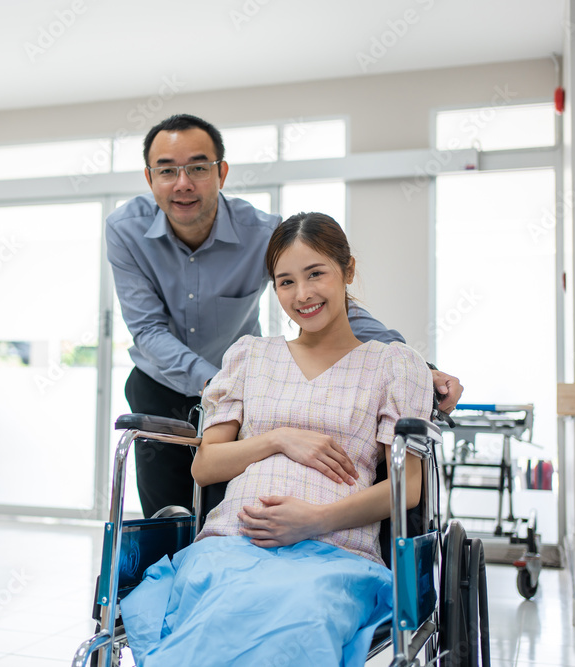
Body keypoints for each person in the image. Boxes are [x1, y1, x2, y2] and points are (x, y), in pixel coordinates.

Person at [105, 113, 461, 517]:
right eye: (167, 170)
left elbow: (323, 303)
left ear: (221, 172)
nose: (183, 183)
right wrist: (222, 382)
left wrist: (413, 366)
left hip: (236, 387)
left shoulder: (262, 233)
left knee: (230, 499)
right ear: (150, 179)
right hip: (166, 385)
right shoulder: (125, 230)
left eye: (198, 168)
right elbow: (148, 330)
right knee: (168, 516)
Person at [120, 212, 433, 666]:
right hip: (231, 543)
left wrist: (314, 521)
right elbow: (206, 467)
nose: (302, 294)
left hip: (335, 553)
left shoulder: (391, 365)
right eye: (285, 282)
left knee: (299, 614)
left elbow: (409, 487)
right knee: (222, 606)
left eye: (316, 274)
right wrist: (279, 439)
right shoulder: (250, 356)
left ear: (347, 271)